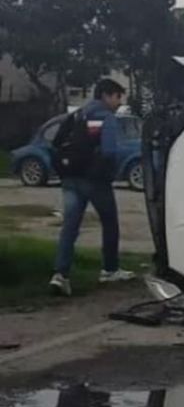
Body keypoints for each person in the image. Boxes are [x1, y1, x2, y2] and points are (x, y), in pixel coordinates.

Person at [48, 79, 137, 296]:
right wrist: (109, 173)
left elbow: (56, 143)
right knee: (110, 223)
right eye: (117, 97)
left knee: (70, 227)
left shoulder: (77, 114)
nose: (118, 103)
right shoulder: (105, 117)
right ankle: (110, 269)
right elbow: (109, 152)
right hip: (95, 181)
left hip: (70, 178)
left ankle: (60, 275)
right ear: (106, 95)